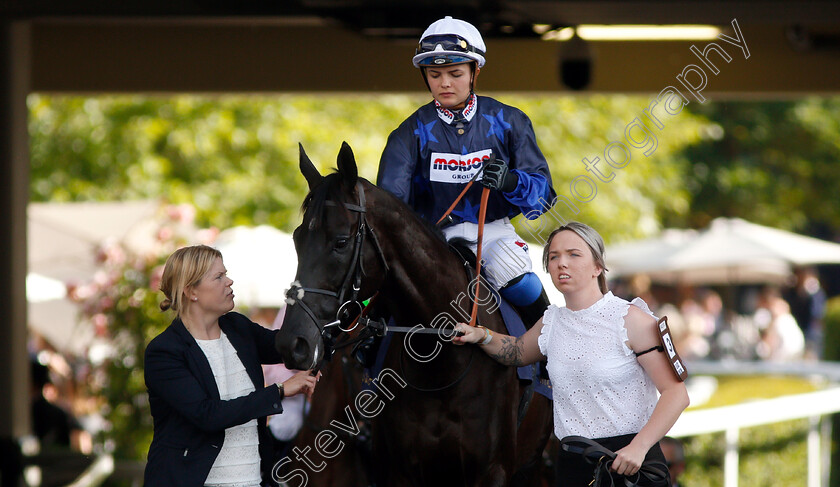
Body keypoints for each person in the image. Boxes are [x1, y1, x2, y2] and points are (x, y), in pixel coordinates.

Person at [454, 222, 690, 486]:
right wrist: (481, 335)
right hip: (571, 464)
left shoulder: (633, 318)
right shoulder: (550, 321)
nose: (561, 263)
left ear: (598, 267)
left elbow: (676, 394)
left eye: (573, 254)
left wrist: (639, 447)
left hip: (631, 463)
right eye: (553, 257)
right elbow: (517, 352)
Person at [377, 16, 557, 328]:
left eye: (455, 73)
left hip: (494, 233)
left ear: (475, 71)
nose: (445, 83)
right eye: (435, 74)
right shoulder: (406, 134)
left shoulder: (511, 121)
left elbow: (544, 197)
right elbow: (389, 210)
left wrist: (510, 180)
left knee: (510, 268)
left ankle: (549, 347)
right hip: (431, 241)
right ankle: (366, 360)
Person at [143, 245, 319, 487]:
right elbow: (208, 415)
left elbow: (294, 348)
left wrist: (324, 302)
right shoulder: (164, 352)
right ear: (191, 291)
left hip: (253, 481)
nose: (230, 281)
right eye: (219, 277)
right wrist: (278, 390)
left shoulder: (238, 327)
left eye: (226, 273)